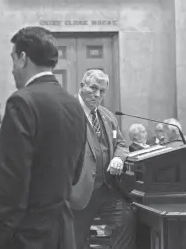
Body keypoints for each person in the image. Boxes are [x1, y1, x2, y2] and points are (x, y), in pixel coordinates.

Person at [0, 26, 87, 249]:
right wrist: (2, 158)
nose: (12, 69)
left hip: (26, 234)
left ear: (23, 58)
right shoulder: (74, 104)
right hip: (62, 231)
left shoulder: (22, 101)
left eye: (12, 59)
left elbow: (12, 187)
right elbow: (73, 173)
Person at [70, 69, 136, 249]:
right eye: (93, 88)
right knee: (76, 240)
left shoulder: (108, 116)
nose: (97, 95)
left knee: (125, 220)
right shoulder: (67, 112)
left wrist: (118, 158)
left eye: (102, 91)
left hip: (108, 188)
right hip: (79, 190)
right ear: (82, 86)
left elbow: (122, 143)